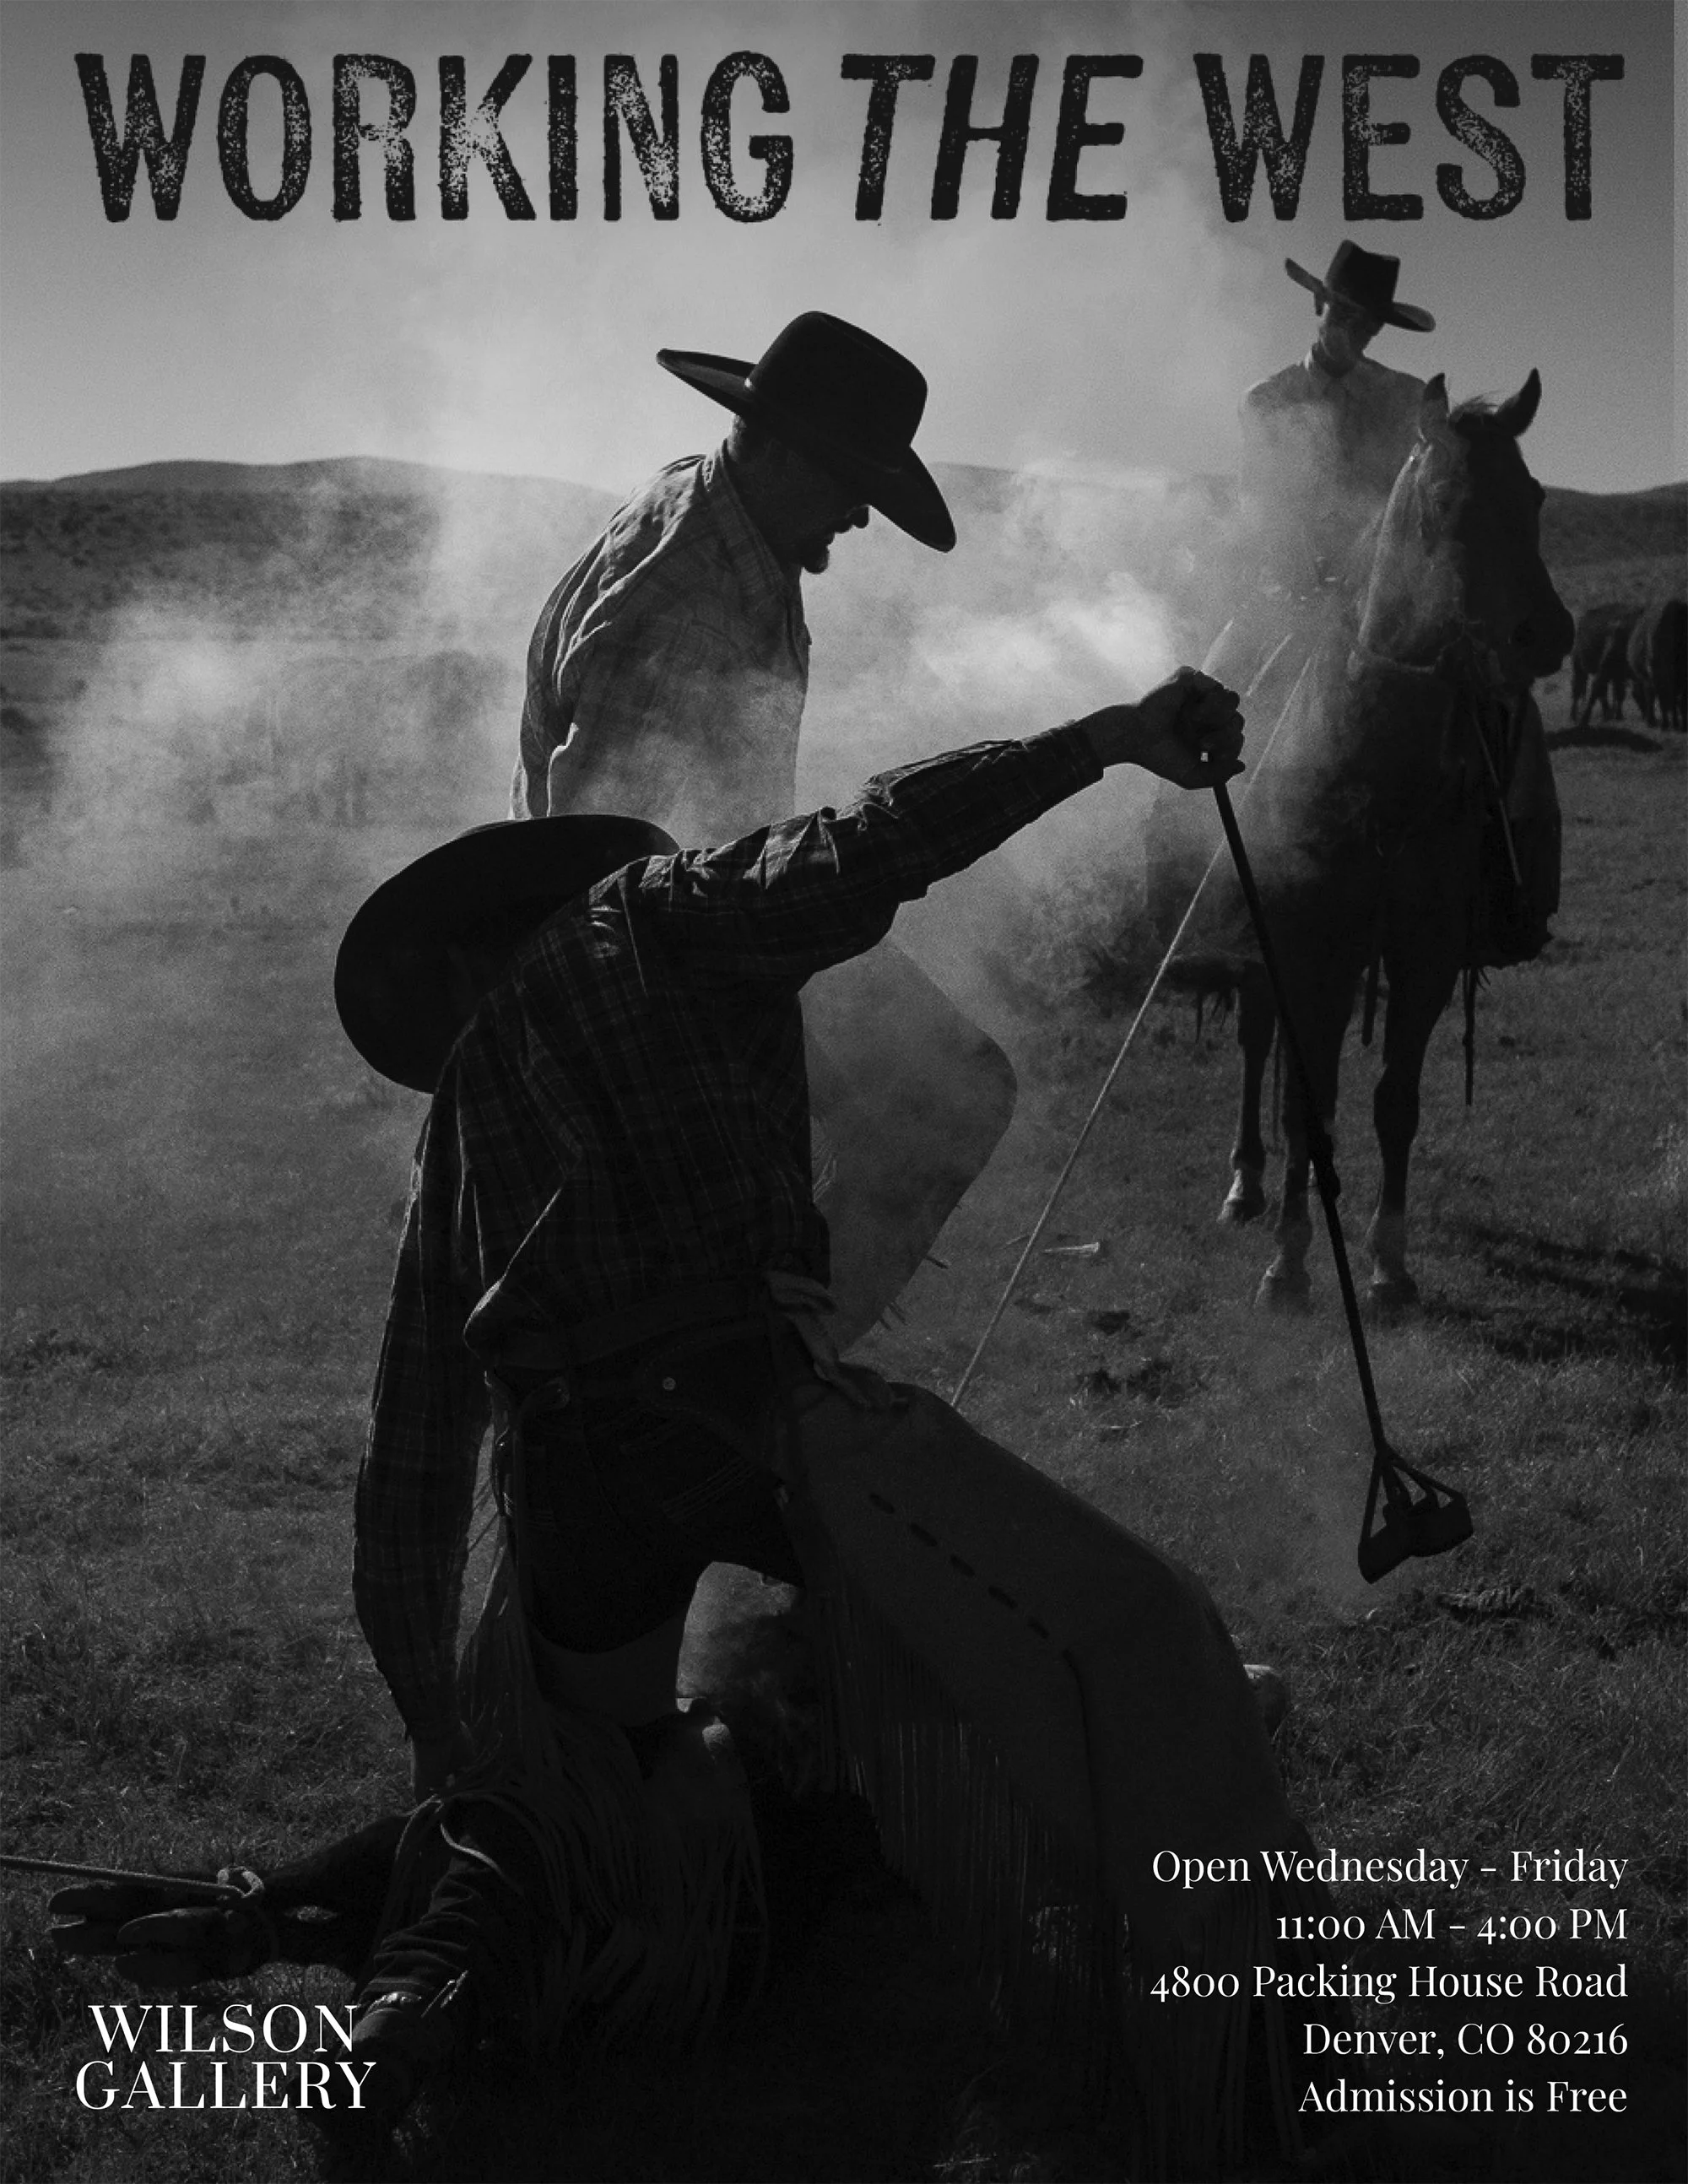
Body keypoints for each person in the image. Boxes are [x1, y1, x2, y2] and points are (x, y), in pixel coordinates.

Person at [511, 311, 1005, 1349]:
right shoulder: (679, 605)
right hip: (667, 959)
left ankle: (773, 1359)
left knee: (945, 1093)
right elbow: (597, 865)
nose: (861, 517)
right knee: (947, 1101)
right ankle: (780, 1375)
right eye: (848, 482)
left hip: (722, 917)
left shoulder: (728, 508)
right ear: (774, 445)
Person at [1207, 241, 1435, 698]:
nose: (1355, 330)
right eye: (1344, 314)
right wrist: (1298, 572)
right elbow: (1263, 502)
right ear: (1319, 305)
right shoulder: (1268, 401)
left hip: (1384, 594)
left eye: (1368, 323)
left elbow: (1419, 499)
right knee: (1212, 690)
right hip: (1288, 594)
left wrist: (1375, 564)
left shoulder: (1408, 399)